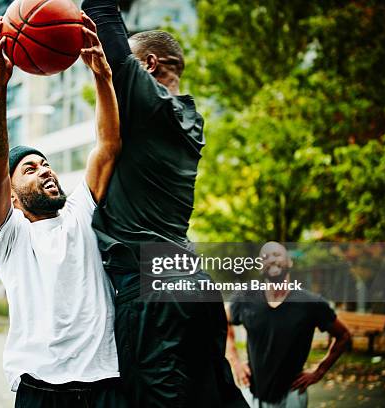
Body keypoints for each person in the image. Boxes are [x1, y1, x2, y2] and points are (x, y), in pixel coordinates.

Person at [80, 2, 247, 407]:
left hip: (154, 294)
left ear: (149, 65)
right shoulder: (190, 120)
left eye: (132, 68)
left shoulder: (148, 101)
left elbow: (99, 10)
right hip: (195, 286)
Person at [0, 15, 127, 407]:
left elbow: (107, 146)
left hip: (104, 382)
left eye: (46, 163)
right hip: (39, 388)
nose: (45, 170)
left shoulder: (79, 212)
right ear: (13, 194)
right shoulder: (9, 239)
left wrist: (102, 77)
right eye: (30, 168)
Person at [226, 242, 352, 408]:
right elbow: (223, 324)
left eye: (277, 255)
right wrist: (235, 363)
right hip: (252, 392)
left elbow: (343, 336)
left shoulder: (310, 303)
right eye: (265, 257)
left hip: (292, 395)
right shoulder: (245, 298)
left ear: (290, 262)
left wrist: (319, 372)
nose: (271, 259)